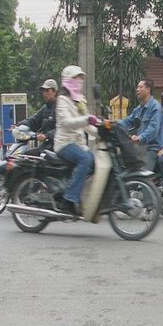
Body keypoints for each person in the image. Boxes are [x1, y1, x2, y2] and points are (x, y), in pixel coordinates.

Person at [53, 65, 99, 216]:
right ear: (67, 81)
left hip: (78, 144)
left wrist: (102, 131)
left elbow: (88, 125)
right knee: (86, 159)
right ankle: (70, 198)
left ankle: (77, 193)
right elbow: (66, 122)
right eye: (75, 78)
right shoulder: (62, 100)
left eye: (80, 79)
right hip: (64, 143)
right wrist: (87, 119)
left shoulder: (79, 101)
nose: (79, 81)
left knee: (94, 162)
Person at [118, 79, 163, 171]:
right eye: (137, 87)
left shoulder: (155, 107)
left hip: (152, 148)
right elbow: (128, 120)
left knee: (143, 173)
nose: (137, 89)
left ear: (148, 89)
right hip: (141, 147)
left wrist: (140, 138)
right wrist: (114, 124)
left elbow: (153, 129)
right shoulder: (139, 108)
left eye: (140, 87)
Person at [13, 79, 58, 155]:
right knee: (24, 157)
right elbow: (33, 120)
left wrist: (47, 136)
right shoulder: (45, 108)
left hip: (56, 148)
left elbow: (62, 128)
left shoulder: (60, 108)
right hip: (46, 146)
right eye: (43, 91)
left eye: (47, 91)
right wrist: (18, 125)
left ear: (54, 92)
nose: (45, 93)